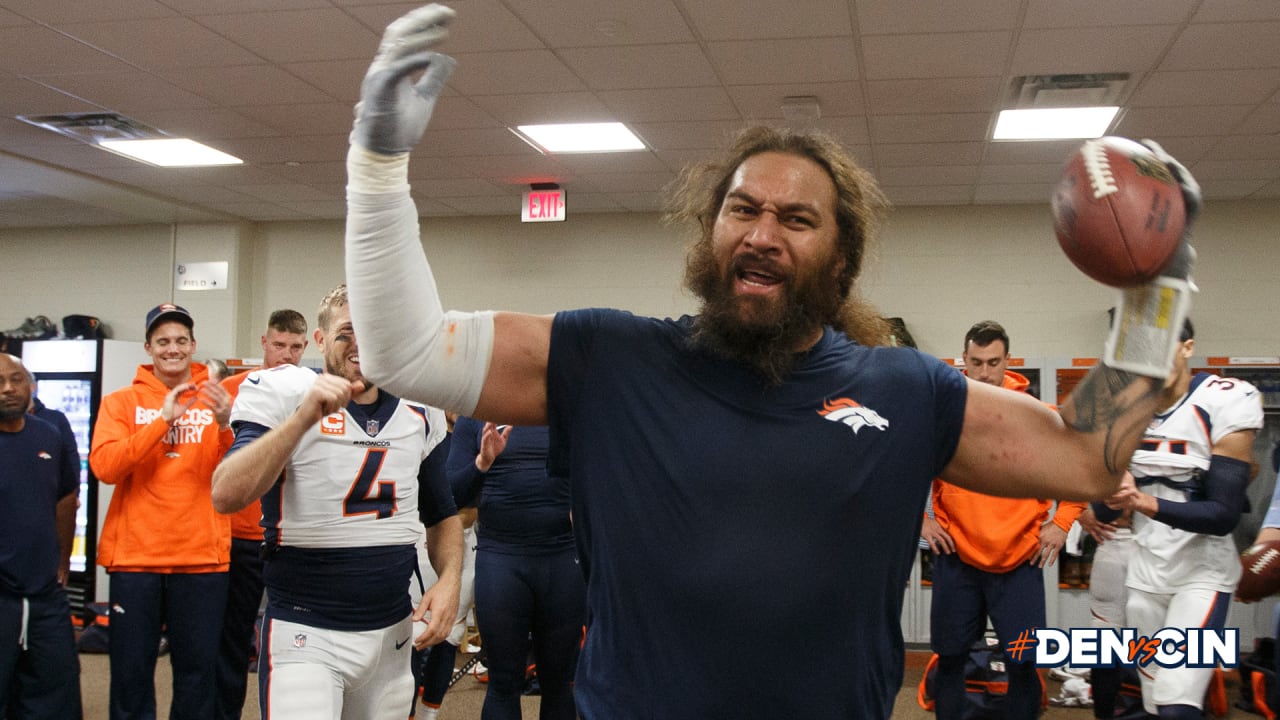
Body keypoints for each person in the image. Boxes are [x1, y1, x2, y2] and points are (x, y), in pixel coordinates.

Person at [342, 6, 1201, 716]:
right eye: (742, 209)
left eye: (797, 219)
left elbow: (1087, 457)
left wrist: (1159, 285)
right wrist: (376, 166)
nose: (762, 232)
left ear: (841, 256)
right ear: (709, 232)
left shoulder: (904, 388)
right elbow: (406, 349)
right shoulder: (610, 359)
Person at [210, 284, 464, 720]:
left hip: (392, 632)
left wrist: (450, 580)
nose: (360, 344)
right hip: (306, 631)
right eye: (347, 331)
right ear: (321, 339)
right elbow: (226, 494)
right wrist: (303, 419)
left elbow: (442, 513)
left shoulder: (420, 407)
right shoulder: (286, 391)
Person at [1094, 319, 1262, 720]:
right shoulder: (1125, 409)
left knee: (1175, 706)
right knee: (1155, 703)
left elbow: (1221, 515)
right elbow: (1102, 511)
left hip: (1201, 575)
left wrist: (1143, 501)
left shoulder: (1225, 398)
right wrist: (1108, 486)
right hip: (1145, 576)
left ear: (1187, 347)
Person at [920, 321, 1085, 720]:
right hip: (957, 556)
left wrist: (1062, 522)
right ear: (964, 361)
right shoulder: (943, 414)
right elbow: (901, 469)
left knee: (1025, 662)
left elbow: (1082, 468)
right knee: (951, 658)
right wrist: (919, 522)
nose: (984, 372)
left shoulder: (1037, 415)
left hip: (1018, 560)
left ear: (1008, 361)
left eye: (993, 362)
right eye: (975, 362)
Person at [88, 303, 234, 720]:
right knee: (131, 675)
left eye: (181, 340)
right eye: (163, 341)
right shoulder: (122, 402)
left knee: (197, 674)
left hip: (202, 560)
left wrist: (225, 425)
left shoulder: (218, 399)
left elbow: (235, 475)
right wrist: (161, 422)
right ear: (149, 347)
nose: (173, 349)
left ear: (193, 345)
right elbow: (106, 467)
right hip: (136, 560)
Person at [448, 419, 585, 720]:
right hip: (502, 560)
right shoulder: (478, 415)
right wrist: (482, 463)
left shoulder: (573, 405)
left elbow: (607, 471)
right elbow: (451, 493)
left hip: (563, 558)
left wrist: (587, 504)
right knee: (503, 681)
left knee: (560, 684)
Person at [214, 308, 308, 720]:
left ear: (306, 347)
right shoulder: (233, 390)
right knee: (225, 642)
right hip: (232, 534)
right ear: (263, 343)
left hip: (285, 535)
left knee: (283, 641)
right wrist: (222, 424)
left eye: (295, 347)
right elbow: (212, 472)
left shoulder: (313, 392)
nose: (286, 355)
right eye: (279, 345)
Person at [0, 354, 83, 719]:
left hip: (46, 595)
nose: (7, 389)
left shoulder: (48, 434)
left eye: (16, 379)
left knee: (57, 690)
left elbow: (66, 497)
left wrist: (63, 561)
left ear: (30, 385)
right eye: (0, 381)